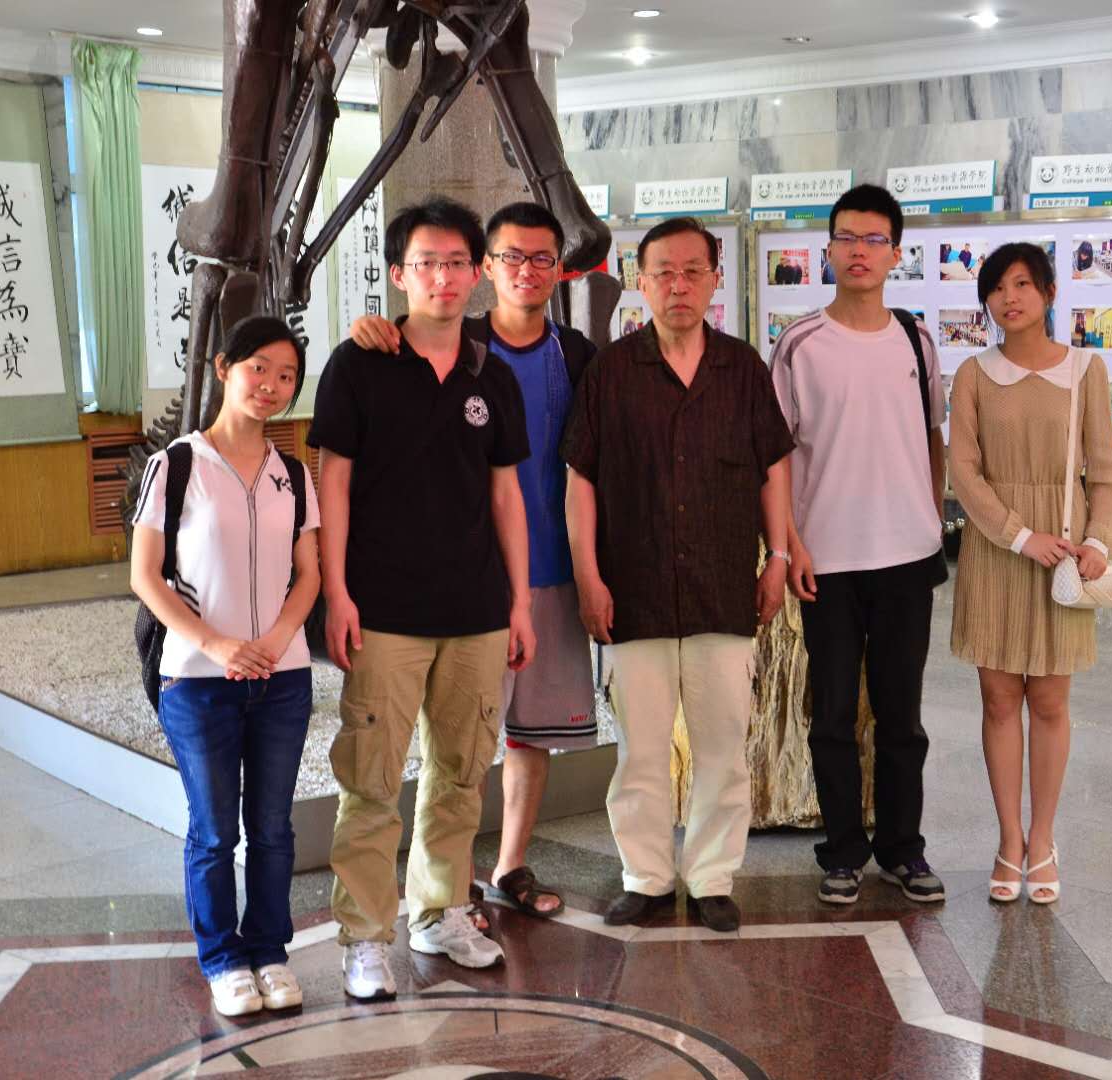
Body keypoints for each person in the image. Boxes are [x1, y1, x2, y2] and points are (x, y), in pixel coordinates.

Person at [308, 196, 536, 997]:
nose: (443, 276)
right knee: (371, 781)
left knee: (460, 775)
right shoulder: (359, 365)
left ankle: (438, 913)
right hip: (384, 612)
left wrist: (518, 603)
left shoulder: (491, 375)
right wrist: (337, 594)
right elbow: (333, 487)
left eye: (457, 263)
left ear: (477, 275)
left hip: (475, 611)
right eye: (426, 263)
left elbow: (506, 496)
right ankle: (365, 936)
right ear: (399, 273)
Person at [346, 200, 598, 924]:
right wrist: (372, 327)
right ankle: (446, 893)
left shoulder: (578, 355)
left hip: (550, 571)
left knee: (530, 734)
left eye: (542, 258)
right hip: (466, 584)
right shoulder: (459, 344)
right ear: (487, 267)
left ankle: (508, 864)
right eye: (510, 256)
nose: (526, 270)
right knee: (457, 744)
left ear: (560, 269)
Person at [562, 215, 794, 933]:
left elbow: (773, 469)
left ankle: (713, 876)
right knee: (639, 751)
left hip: (724, 589)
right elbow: (580, 481)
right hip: (632, 592)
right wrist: (588, 577)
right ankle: (646, 876)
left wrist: (779, 556)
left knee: (724, 748)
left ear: (715, 279)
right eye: (663, 272)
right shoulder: (611, 372)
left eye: (693, 271)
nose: (679, 286)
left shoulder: (742, 368)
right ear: (641, 281)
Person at [130, 316, 320, 1017]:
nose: (271, 385)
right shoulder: (177, 465)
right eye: (258, 368)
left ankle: (269, 950)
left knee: (273, 827)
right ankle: (222, 958)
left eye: (286, 376)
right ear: (223, 368)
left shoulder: (293, 474)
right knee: (214, 830)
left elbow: (308, 574)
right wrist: (216, 645)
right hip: (198, 680)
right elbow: (145, 576)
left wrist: (277, 639)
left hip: (282, 677)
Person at [769, 183, 947, 906]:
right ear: (827, 250)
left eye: (875, 240)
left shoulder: (916, 340)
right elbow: (777, 455)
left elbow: (931, 438)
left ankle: (903, 848)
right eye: (847, 238)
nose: (860, 252)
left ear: (896, 253)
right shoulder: (800, 343)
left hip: (907, 555)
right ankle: (842, 850)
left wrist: (929, 518)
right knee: (834, 714)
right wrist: (789, 545)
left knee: (903, 716)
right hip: (828, 558)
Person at [947, 242, 1112, 905]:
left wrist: (1099, 541)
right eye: (997, 288)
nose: (1009, 298)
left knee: (1049, 703)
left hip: (1065, 555)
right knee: (998, 701)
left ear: (1048, 292)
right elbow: (964, 472)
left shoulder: (1085, 369)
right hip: (998, 550)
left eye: (1022, 284)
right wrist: (1020, 535)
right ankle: (1008, 840)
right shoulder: (973, 374)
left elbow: (1103, 473)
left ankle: (1043, 839)